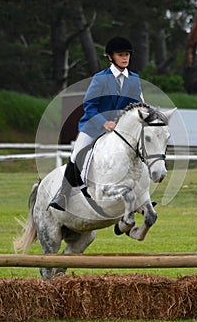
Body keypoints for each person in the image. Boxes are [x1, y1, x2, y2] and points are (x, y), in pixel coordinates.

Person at [49, 36, 144, 211]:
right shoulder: (100, 78)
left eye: (127, 55)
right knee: (77, 154)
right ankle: (63, 194)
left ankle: (142, 195)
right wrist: (104, 123)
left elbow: (138, 104)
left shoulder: (134, 79)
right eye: (121, 55)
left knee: (142, 151)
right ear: (110, 57)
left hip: (120, 130)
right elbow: (89, 106)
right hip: (93, 126)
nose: (125, 58)